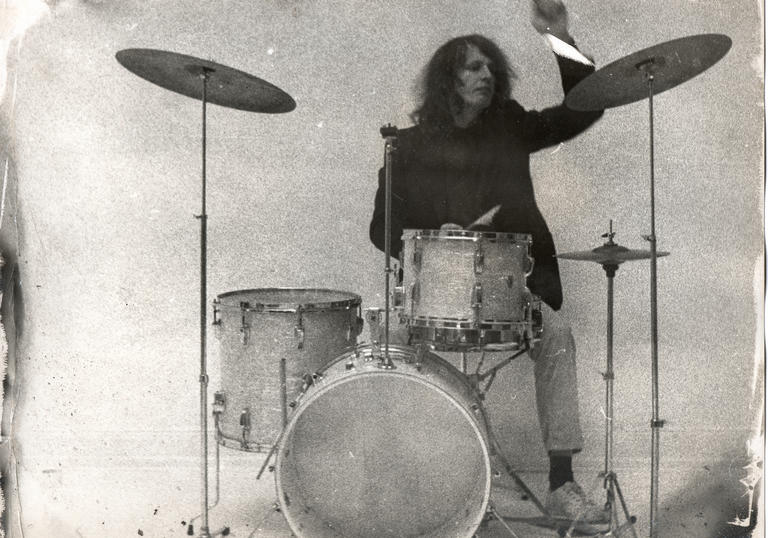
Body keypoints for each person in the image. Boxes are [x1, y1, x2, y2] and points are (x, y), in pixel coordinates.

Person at [369, 0, 608, 524]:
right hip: (434, 291)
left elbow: (584, 109)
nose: (486, 75)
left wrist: (560, 36)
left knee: (559, 337)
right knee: (383, 349)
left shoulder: (510, 125)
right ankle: (397, 481)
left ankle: (563, 486)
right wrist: (431, 234)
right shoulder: (406, 147)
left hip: (515, 287)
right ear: (447, 80)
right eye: (473, 67)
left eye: (489, 68)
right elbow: (379, 227)